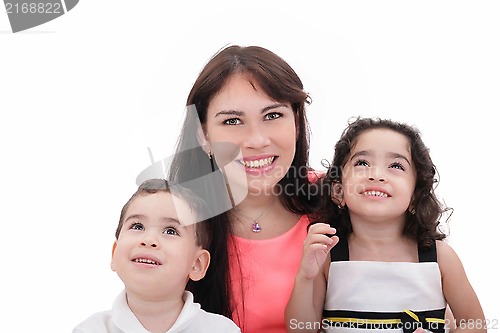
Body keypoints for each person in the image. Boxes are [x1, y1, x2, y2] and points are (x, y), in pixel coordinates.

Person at [168, 45, 319, 333]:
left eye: (273, 115)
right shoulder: (176, 220)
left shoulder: (340, 198)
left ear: (297, 122)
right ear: (204, 136)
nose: (257, 140)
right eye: (232, 121)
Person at [285, 118, 485, 333]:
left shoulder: (439, 257)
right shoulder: (329, 255)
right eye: (362, 163)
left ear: (416, 197)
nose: (377, 175)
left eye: (396, 166)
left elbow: (474, 324)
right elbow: (301, 329)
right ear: (338, 191)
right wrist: (305, 276)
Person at [73, 179, 241, 333]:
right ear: (114, 254)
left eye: (170, 231)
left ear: (197, 264)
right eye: (137, 226)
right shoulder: (91, 329)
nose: (148, 240)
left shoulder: (220, 330)